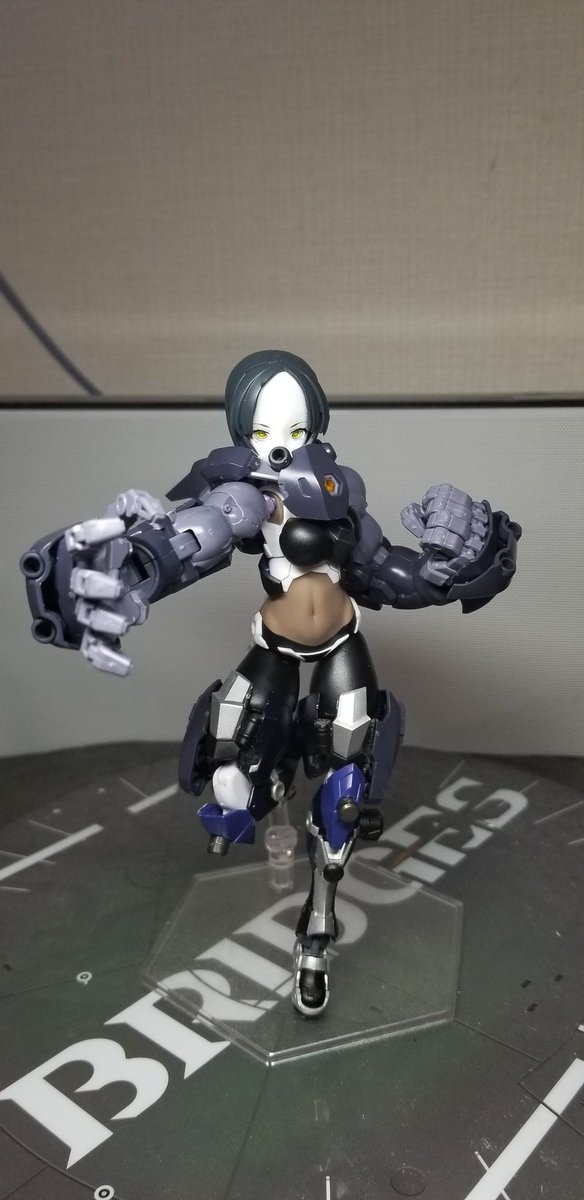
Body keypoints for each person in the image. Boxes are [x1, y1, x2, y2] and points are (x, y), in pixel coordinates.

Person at [21, 350, 521, 1015]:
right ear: (241, 432)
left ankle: (316, 932)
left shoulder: (342, 493)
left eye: (294, 429)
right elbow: (206, 530)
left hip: (341, 642)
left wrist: (447, 571)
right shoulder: (247, 492)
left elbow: (380, 571)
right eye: (261, 432)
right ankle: (267, 780)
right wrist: (139, 561)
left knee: (344, 800)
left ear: (317, 425)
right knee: (233, 769)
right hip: (276, 646)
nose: (279, 446)